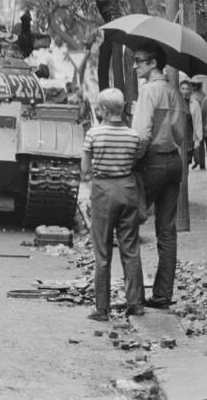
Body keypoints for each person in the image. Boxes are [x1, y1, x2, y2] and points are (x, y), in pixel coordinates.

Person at [81, 88, 146, 321]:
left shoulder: (94, 134)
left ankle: (102, 308)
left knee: (102, 251)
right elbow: (136, 161)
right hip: (128, 190)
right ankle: (136, 304)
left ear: (105, 110)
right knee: (130, 248)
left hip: (103, 192)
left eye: (99, 108)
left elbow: (85, 170)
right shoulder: (133, 136)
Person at [130, 43, 186, 309]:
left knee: (129, 223)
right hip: (174, 162)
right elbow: (181, 134)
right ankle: (163, 295)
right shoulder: (175, 92)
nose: (135, 65)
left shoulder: (148, 92)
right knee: (167, 231)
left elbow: (141, 134)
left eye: (139, 60)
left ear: (153, 64)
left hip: (151, 162)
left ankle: (135, 296)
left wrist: (133, 159)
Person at [179, 80, 202, 167]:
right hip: (179, 138)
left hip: (189, 139)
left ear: (190, 90)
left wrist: (197, 142)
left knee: (186, 164)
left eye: (187, 89)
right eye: (183, 89)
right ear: (179, 89)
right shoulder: (176, 102)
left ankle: (185, 180)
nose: (185, 91)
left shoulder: (195, 104)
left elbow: (198, 122)